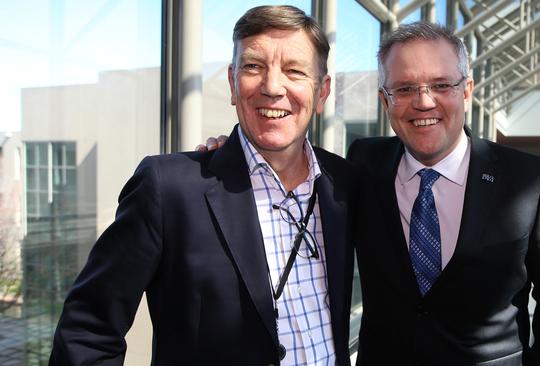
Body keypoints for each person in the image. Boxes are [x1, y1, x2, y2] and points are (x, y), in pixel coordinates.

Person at [49, 6, 357, 365]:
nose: (273, 87)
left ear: (322, 93)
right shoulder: (168, 189)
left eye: (295, 71)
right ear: (232, 83)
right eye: (253, 67)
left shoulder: (345, 184)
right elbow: (88, 331)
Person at [347, 23, 540, 365]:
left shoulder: (529, 180)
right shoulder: (363, 164)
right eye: (406, 88)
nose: (424, 102)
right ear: (386, 100)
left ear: (467, 90)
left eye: (441, 85)